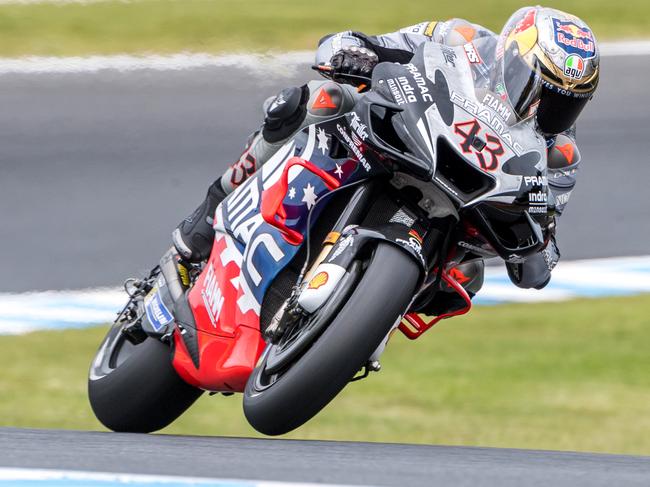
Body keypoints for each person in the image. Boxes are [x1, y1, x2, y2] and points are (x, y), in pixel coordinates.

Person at [172, 6, 600, 302]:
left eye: (565, 102)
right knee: (317, 100)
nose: (548, 107)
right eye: (538, 87)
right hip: (402, 137)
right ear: (513, 56)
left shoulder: (559, 153)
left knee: (468, 279)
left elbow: (541, 253)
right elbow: (390, 46)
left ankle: (361, 322)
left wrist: (535, 241)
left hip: (457, 217)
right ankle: (209, 212)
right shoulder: (464, 39)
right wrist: (356, 52)